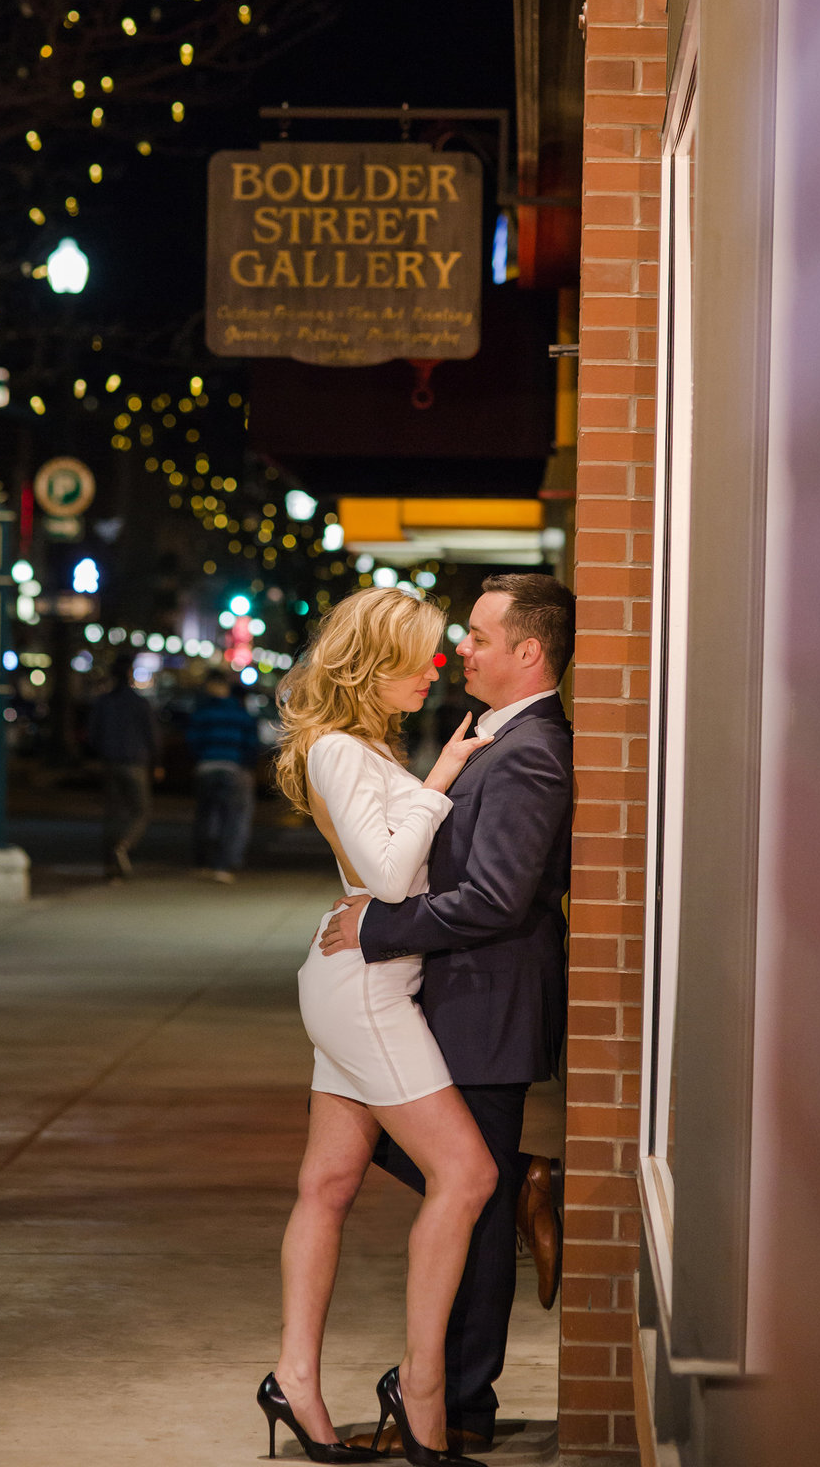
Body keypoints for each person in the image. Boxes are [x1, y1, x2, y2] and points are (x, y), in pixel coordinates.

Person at [320, 573, 574, 1455]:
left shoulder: (534, 748)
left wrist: (377, 928)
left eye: (476, 634)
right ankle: (526, 1179)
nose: (459, 648)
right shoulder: (494, 738)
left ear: (527, 652)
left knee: (470, 1192)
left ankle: (463, 1404)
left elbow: (499, 898)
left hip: (488, 999)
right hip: (461, 992)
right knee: (460, 1178)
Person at [258, 587, 498, 1467]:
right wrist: (439, 783)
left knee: (327, 1185)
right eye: (423, 653)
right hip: (365, 990)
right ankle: (422, 1391)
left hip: (358, 979)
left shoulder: (358, 748)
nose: (436, 667)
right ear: (375, 659)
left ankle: (295, 1381)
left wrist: (423, 780)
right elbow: (392, 881)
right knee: (467, 1174)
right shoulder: (335, 752)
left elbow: (382, 876)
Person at [186, 669, 262, 883]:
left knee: (205, 816)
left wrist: (202, 757)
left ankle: (202, 862)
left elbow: (192, 741)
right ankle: (224, 865)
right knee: (233, 818)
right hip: (233, 768)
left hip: (206, 767)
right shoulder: (240, 714)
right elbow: (250, 744)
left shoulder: (201, 713)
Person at [86, 657, 156, 879]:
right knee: (141, 810)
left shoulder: (104, 702)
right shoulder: (139, 703)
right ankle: (124, 846)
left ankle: (110, 865)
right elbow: (152, 734)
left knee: (112, 812)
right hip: (134, 762)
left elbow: (93, 734)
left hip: (110, 762)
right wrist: (157, 761)